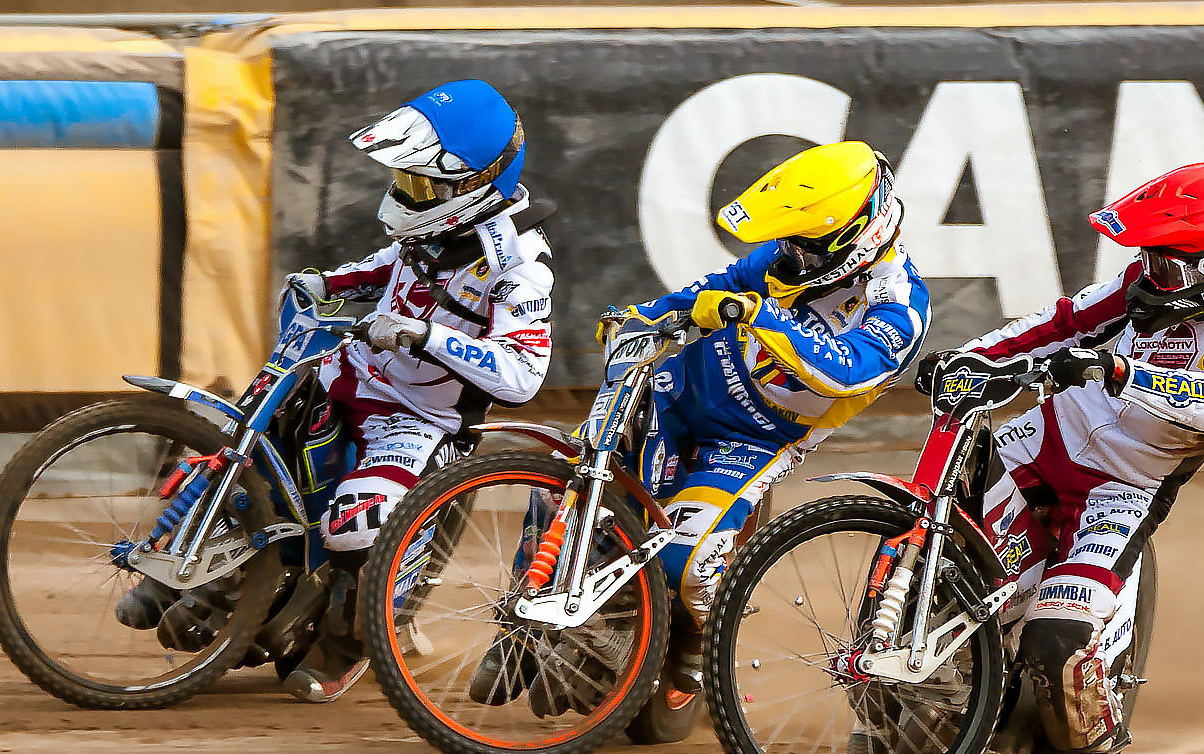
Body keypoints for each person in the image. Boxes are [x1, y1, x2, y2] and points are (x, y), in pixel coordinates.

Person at [917, 159, 1204, 754]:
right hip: (1039, 447)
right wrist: (971, 359)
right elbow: (1061, 323)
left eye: (1170, 265)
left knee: (1055, 636)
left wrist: (1124, 373)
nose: (1155, 274)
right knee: (942, 544)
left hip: (1121, 493)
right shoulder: (1138, 284)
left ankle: (1082, 752)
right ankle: (922, 700)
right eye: (1151, 258)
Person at [598, 140, 930, 713]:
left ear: (858, 235)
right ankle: (530, 603)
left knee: (685, 565)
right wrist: (647, 316)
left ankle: (697, 646)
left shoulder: (900, 305)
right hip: (678, 393)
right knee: (584, 475)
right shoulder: (784, 259)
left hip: (753, 440)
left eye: (803, 245)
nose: (788, 256)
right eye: (788, 242)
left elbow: (844, 372)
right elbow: (715, 286)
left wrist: (761, 314)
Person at [264, 79, 554, 702]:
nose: (405, 196)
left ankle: (355, 640)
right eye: (406, 180)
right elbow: (384, 268)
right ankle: (215, 579)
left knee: (354, 526)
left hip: (421, 421)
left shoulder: (519, 266)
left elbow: (522, 376)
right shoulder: (425, 233)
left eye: (422, 185)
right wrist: (326, 282)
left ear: (471, 186)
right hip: (354, 375)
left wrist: (425, 336)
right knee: (253, 439)